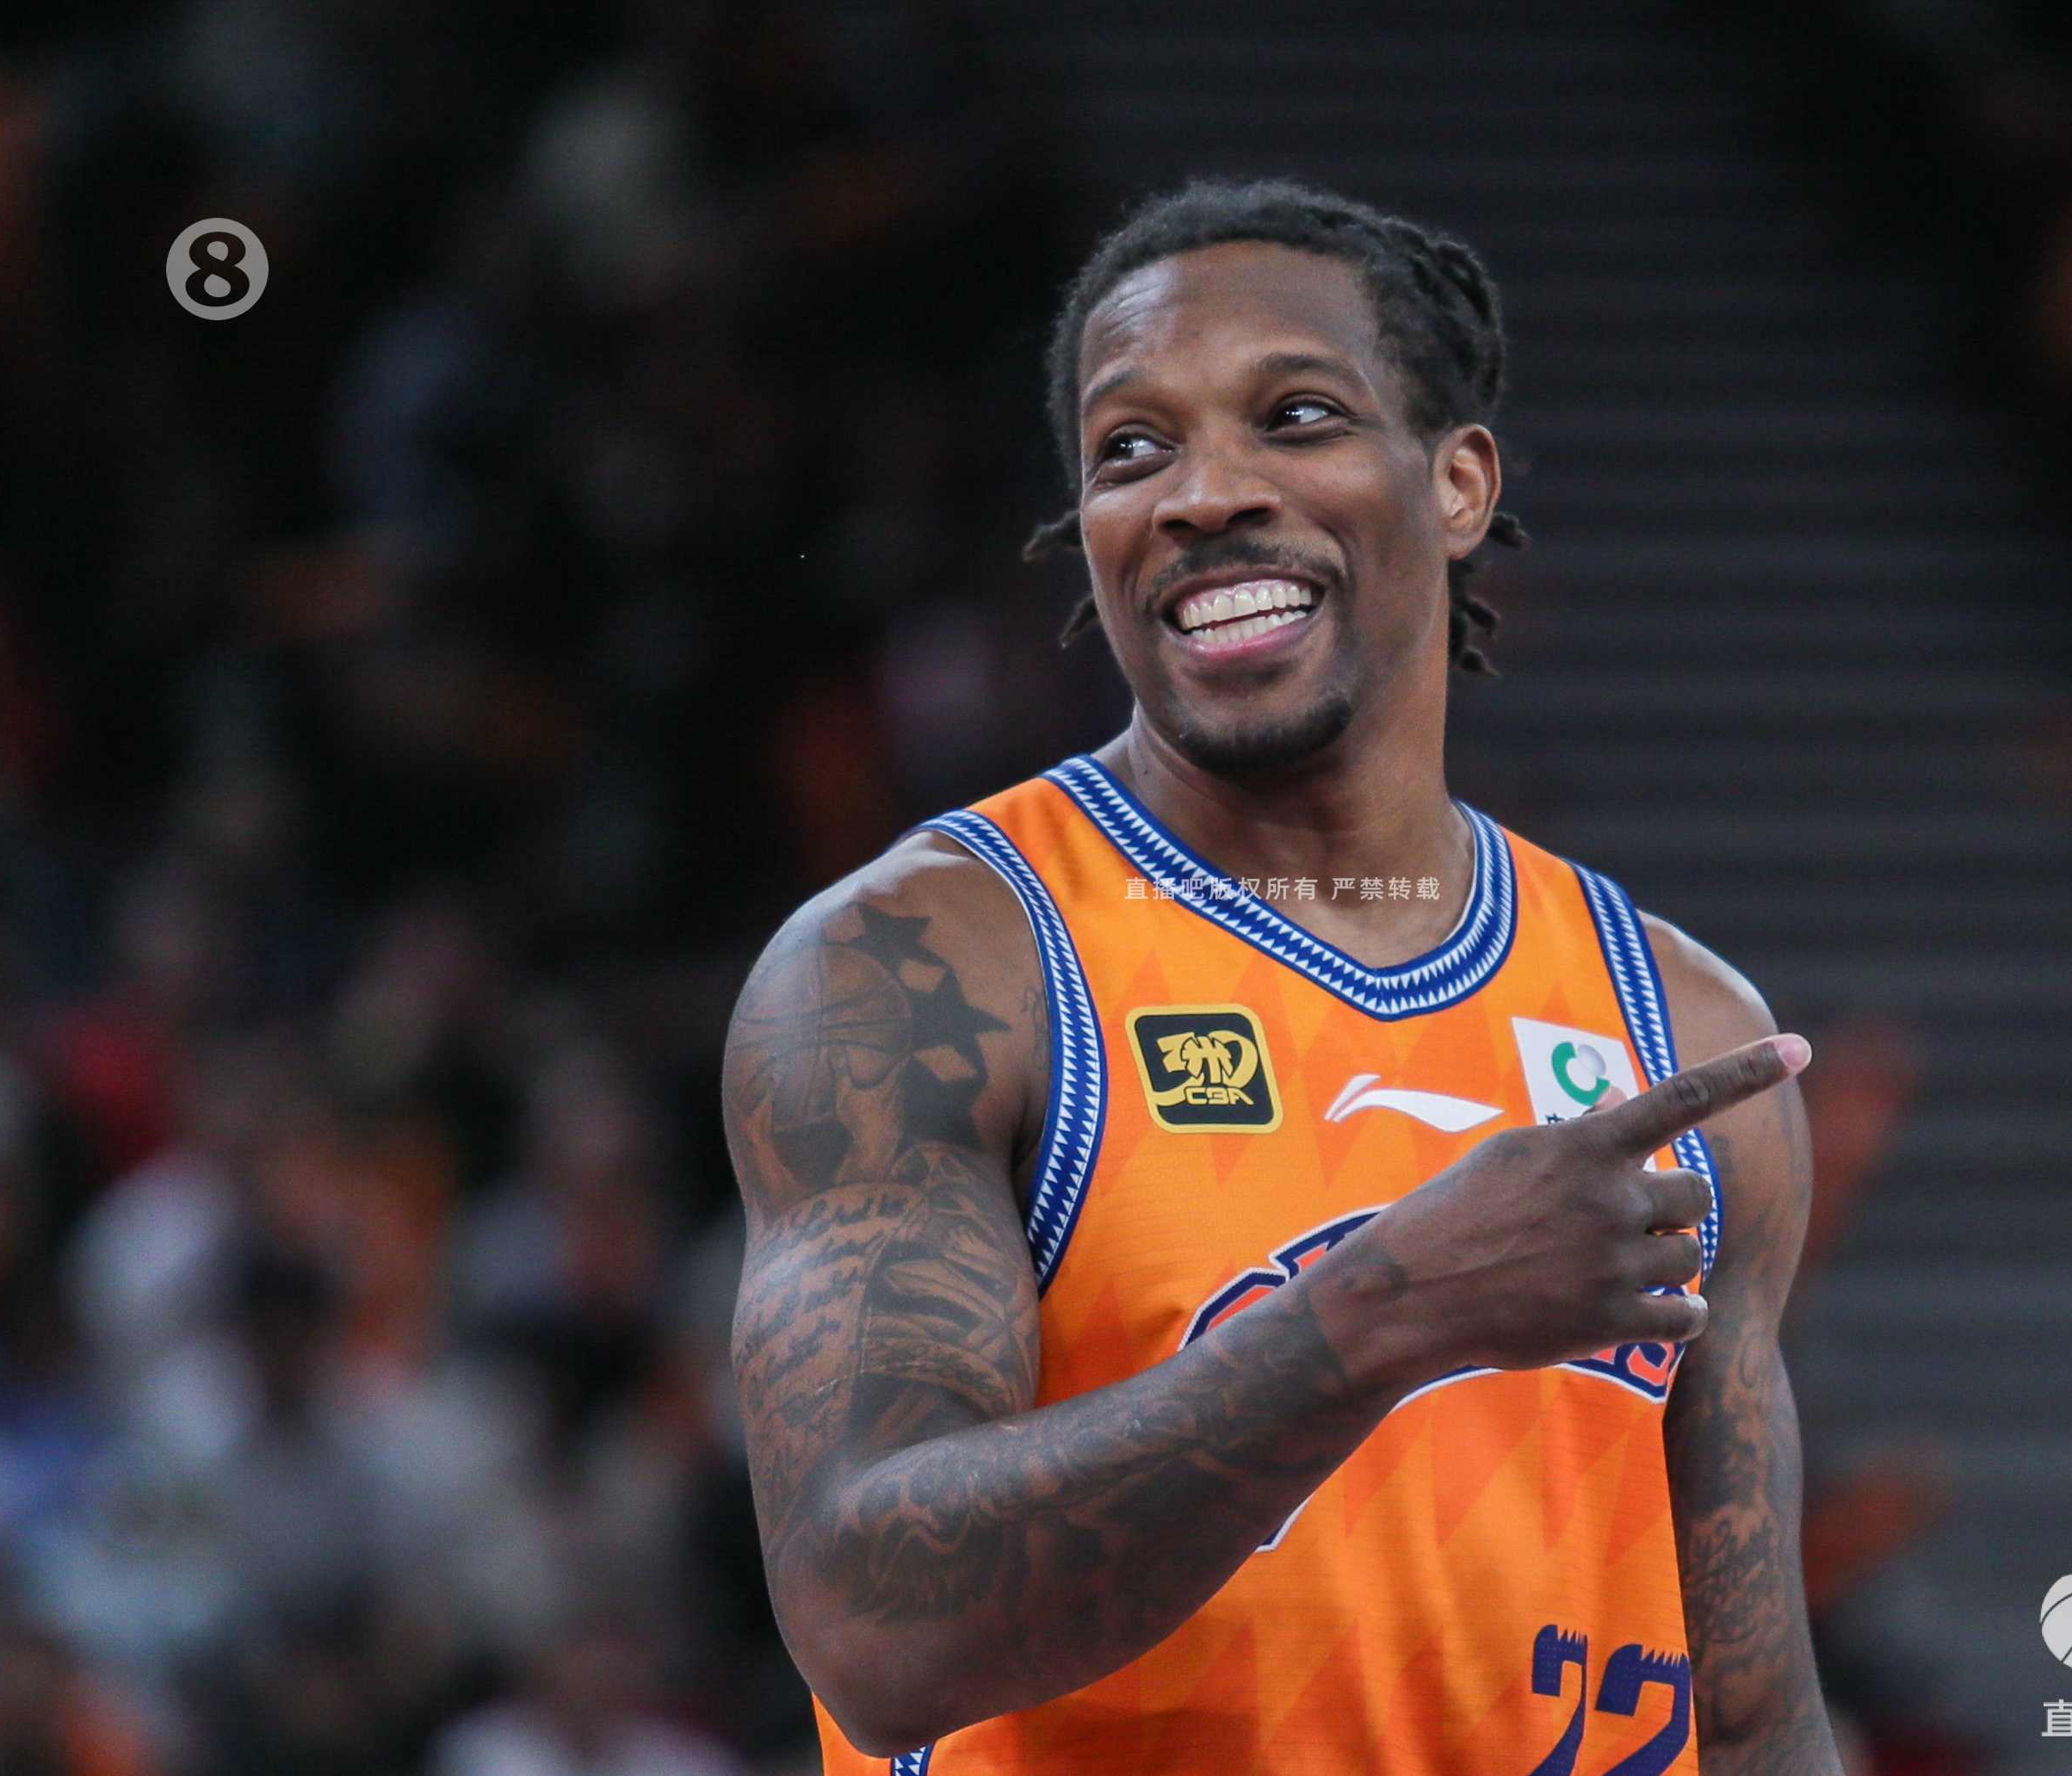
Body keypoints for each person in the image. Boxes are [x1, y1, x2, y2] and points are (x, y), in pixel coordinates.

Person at [723, 179, 1838, 1776]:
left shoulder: (1681, 1028)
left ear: (1457, 484)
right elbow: (874, 1631)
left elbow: (1752, 1720)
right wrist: (1380, 1314)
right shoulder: (926, 967)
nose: (1203, 494)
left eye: (1295, 417)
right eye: (1131, 449)